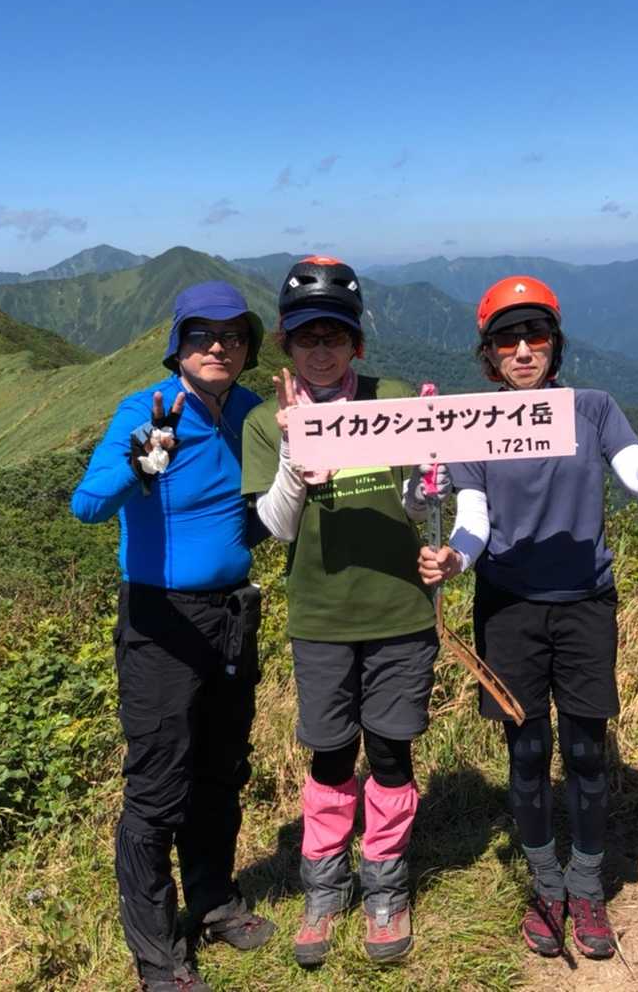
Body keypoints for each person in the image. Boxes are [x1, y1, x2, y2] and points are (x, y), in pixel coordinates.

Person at [417, 275, 638, 961]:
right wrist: (455, 560)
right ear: (489, 354)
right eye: (507, 340)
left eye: (535, 336)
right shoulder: (476, 425)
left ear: (555, 344)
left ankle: (585, 886)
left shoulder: (591, 409)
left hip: (585, 602)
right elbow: (474, 520)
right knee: (526, 753)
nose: (523, 350)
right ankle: (545, 885)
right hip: (509, 609)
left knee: (585, 752)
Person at [71, 281, 275, 992]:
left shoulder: (252, 413)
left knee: (220, 770)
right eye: (201, 334)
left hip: (233, 616)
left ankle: (214, 902)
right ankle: (159, 958)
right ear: (178, 346)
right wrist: (142, 460)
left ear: (248, 347)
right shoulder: (147, 410)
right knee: (158, 790)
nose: (218, 346)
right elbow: (87, 504)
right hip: (160, 621)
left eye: (232, 335)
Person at [242, 256, 446, 967]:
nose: (321, 349)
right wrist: (295, 459)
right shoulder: (267, 420)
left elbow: (416, 506)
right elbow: (278, 529)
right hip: (322, 616)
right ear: (287, 345)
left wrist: (428, 474)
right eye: (307, 337)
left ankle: (385, 887)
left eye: (334, 335)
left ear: (356, 342)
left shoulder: (393, 398)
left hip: (399, 610)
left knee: (390, 750)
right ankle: (324, 889)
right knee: (330, 755)